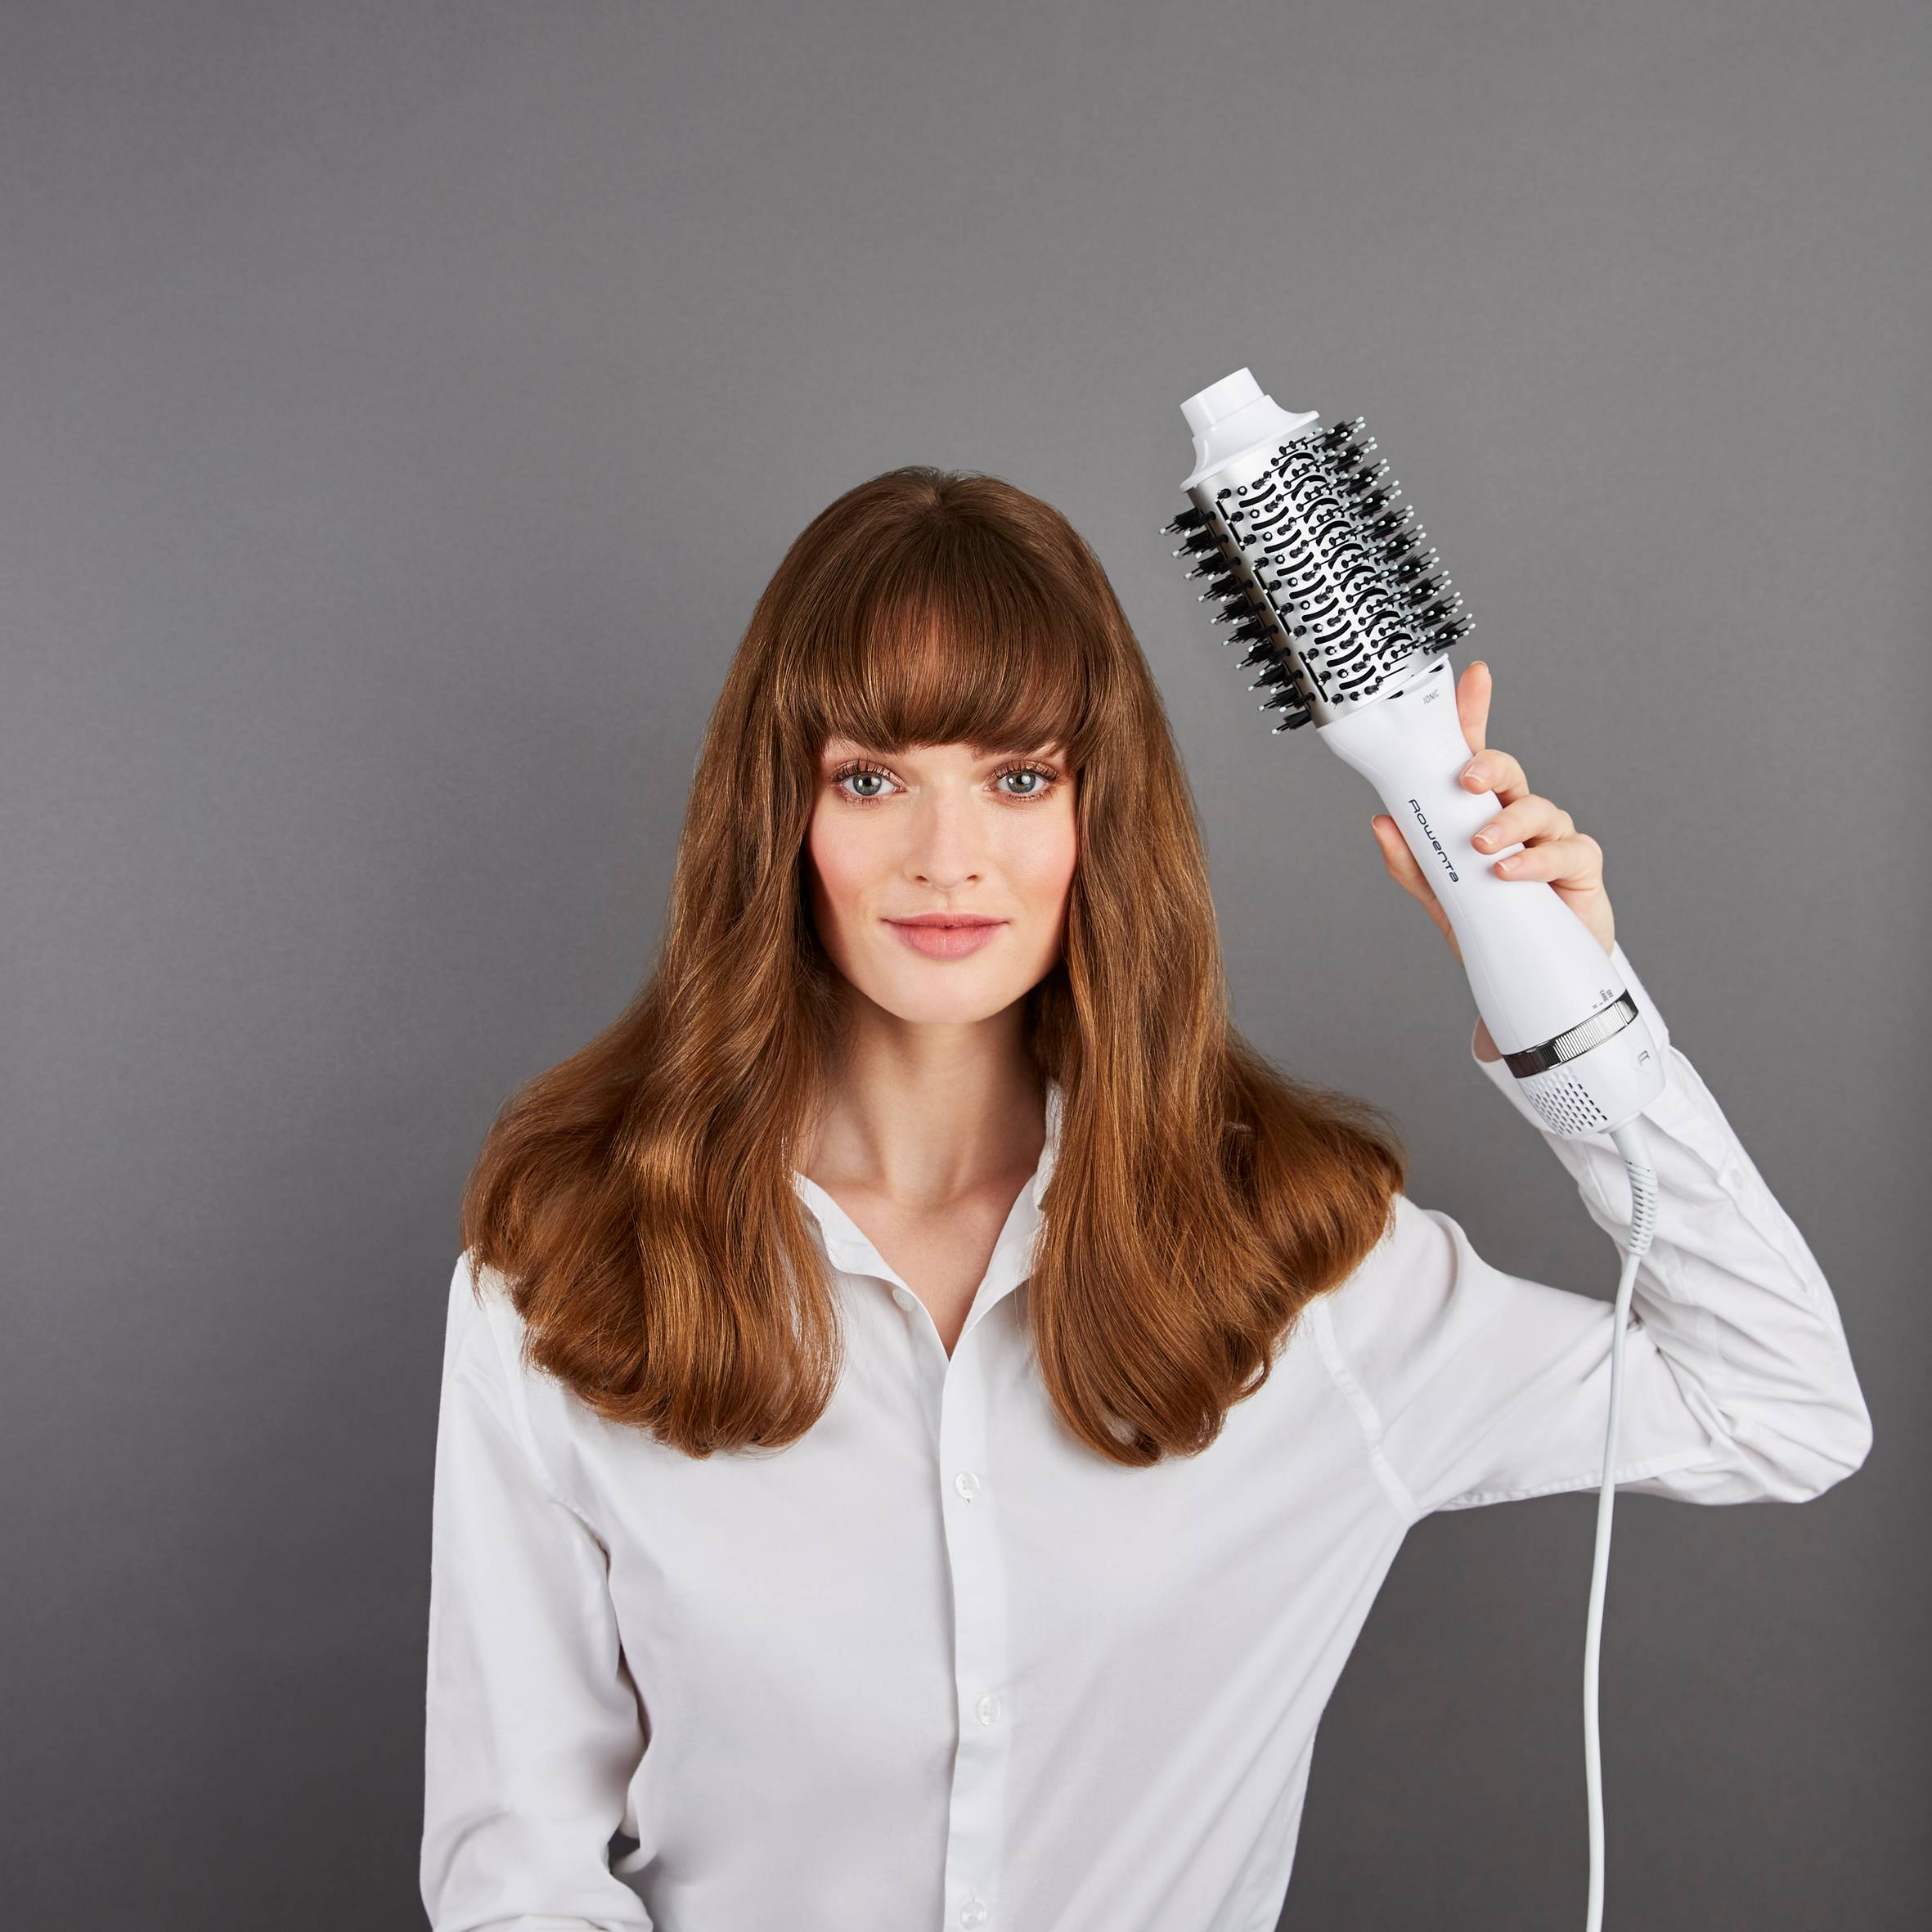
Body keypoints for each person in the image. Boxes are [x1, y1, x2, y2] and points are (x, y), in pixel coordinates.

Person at [418, 466, 1871, 1932]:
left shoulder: (1309, 1280)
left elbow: (1781, 1405)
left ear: (1098, 811)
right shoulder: (570, 1275)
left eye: (1018, 777)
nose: (946, 857)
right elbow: (519, 1876)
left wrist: (1570, 1012)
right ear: (775, 814)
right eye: (870, 778)